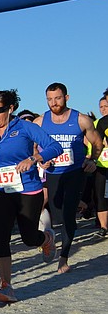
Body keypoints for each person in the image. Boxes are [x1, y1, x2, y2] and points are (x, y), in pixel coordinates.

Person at [0, 89, 62, 303]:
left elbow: (55, 147)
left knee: (28, 238)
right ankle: (6, 285)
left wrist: (35, 158)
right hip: (0, 191)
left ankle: (46, 237)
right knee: (0, 236)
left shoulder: (26, 127)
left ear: (10, 109)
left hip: (27, 189)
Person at [33, 83, 102, 273]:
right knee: (56, 214)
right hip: (53, 173)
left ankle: (63, 257)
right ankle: (51, 237)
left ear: (66, 97)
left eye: (57, 98)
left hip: (74, 173)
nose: (54, 103)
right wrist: (40, 160)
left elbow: (97, 142)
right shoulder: (40, 122)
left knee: (68, 215)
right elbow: (32, 143)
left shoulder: (81, 120)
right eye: (49, 99)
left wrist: (93, 160)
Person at [94, 96, 108, 237]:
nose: (103, 109)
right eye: (101, 107)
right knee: (101, 196)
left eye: (106, 106)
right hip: (101, 165)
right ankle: (103, 227)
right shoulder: (97, 123)